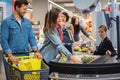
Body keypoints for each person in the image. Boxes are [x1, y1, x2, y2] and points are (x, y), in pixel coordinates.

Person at [1, 0, 42, 64]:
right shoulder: (6, 22)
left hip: (25, 55)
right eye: (24, 9)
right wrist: (10, 55)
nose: (25, 11)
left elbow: (31, 38)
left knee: (26, 73)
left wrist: (36, 51)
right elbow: (3, 40)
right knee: (13, 74)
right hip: (12, 56)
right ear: (17, 7)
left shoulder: (27, 22)